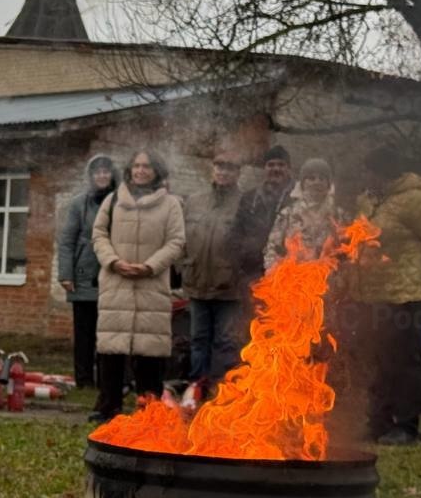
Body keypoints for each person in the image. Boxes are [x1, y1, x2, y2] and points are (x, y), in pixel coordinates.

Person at [352, 146, 421, 445]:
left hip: (407, 296)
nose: (364, 177)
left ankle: (406, 425)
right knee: (378, 360)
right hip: (373, 295)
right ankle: (378, 421)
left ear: (383, 173)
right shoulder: (368, 202)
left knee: (404, 361)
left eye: (369, 171)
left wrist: (419, 273)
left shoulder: (416, 202)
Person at [90, 150, 186, 422]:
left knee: (150, 352)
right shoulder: (112, 201)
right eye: (136, 166)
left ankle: (149, 410)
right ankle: (107, 406)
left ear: (157, 171)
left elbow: (176, 241)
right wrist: (113, 261)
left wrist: (150, 267)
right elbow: (98, 235)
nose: (141, 171)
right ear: (129, 169)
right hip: (117, 282)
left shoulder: (170, 205)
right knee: (111, 349)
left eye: (147, 166)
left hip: (151, 284)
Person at [180, 152, 243, 385]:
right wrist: (183, 266)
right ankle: (197, 388)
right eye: (220, 167)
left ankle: (221, 390)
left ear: (238, 173)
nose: (223, 172)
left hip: (229, 287)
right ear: (212, 169)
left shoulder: (244, 202)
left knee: (225, 341)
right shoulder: (194, 200)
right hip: (197, 282)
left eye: (229, 168)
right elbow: (181, 239)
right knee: (198, 339)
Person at [58, 154, 119, 388]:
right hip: (84, 276)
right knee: (84, 333)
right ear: (91, 176)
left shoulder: (119, 202)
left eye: (106, 171)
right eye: (97, 172)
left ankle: (107, 379)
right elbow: (67, 240)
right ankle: (83, 379)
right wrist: (66, 274)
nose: (102, 176)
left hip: (112, 275)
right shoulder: (78, 204)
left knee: (108, 333)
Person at [233, 145, 295, 289]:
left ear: (288, 168)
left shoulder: (298, 198)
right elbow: (235, 233)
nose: (276, 169)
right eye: (271, 164)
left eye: (281, 164)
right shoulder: (250, 198)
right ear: (264, 168)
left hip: (288, 276)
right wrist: (241, 267)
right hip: (253, 275)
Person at [263, 157, 339, 270]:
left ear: (328, 184)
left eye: (322, 178)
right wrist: (272, 273)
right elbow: (273, 247)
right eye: (311, 178)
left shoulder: (338, 215)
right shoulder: (288, 214)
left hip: (328, 279)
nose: (317, 182)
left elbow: (346, 250)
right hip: (294, 278)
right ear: (303, 183)